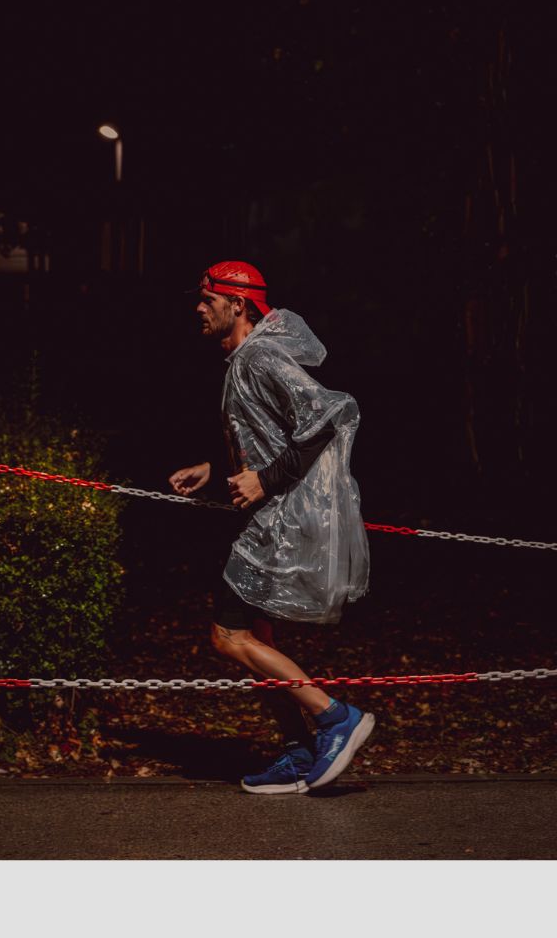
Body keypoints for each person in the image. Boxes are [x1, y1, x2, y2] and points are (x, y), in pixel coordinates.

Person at [169, 261, 373, 793]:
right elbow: (270, 436)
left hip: (278, 521)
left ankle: (334, 718)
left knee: (228, 636)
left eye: (207, 299)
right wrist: (218, 469)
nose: (198, 307)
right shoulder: (244, 359)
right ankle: (298, 751)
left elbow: (330, 415)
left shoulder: (258, 356)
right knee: (256, 637)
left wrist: (265, 482)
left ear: (237, 305)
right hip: (267, 515)